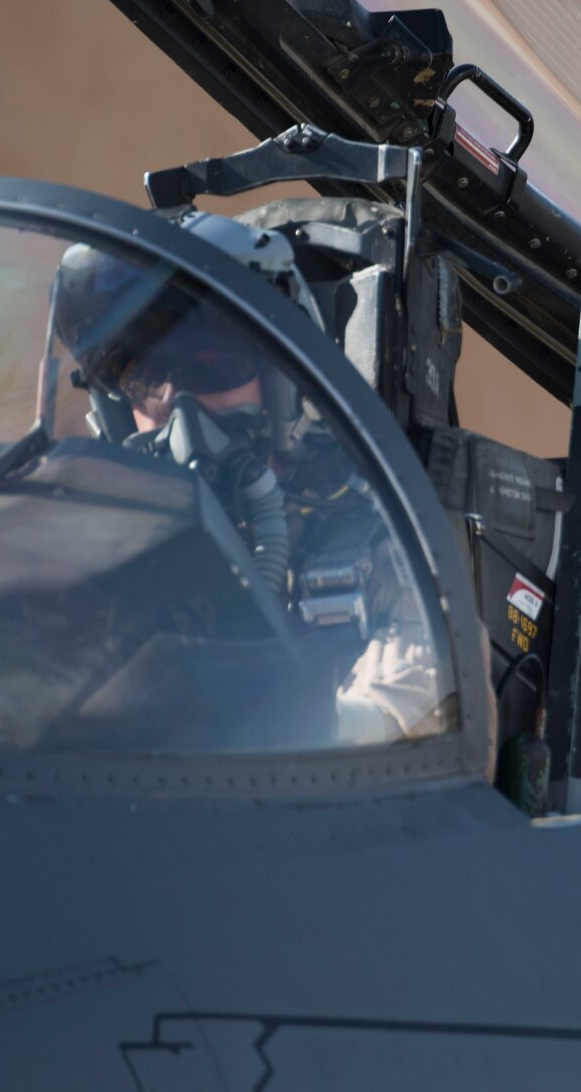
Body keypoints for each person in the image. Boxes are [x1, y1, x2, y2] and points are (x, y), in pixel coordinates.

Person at [52, 221, 444, 743]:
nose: (175, 400)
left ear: (280, 376)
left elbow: (411, 701)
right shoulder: (98, 558)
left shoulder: (374, 534)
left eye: (209, 361)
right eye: (145, 376)